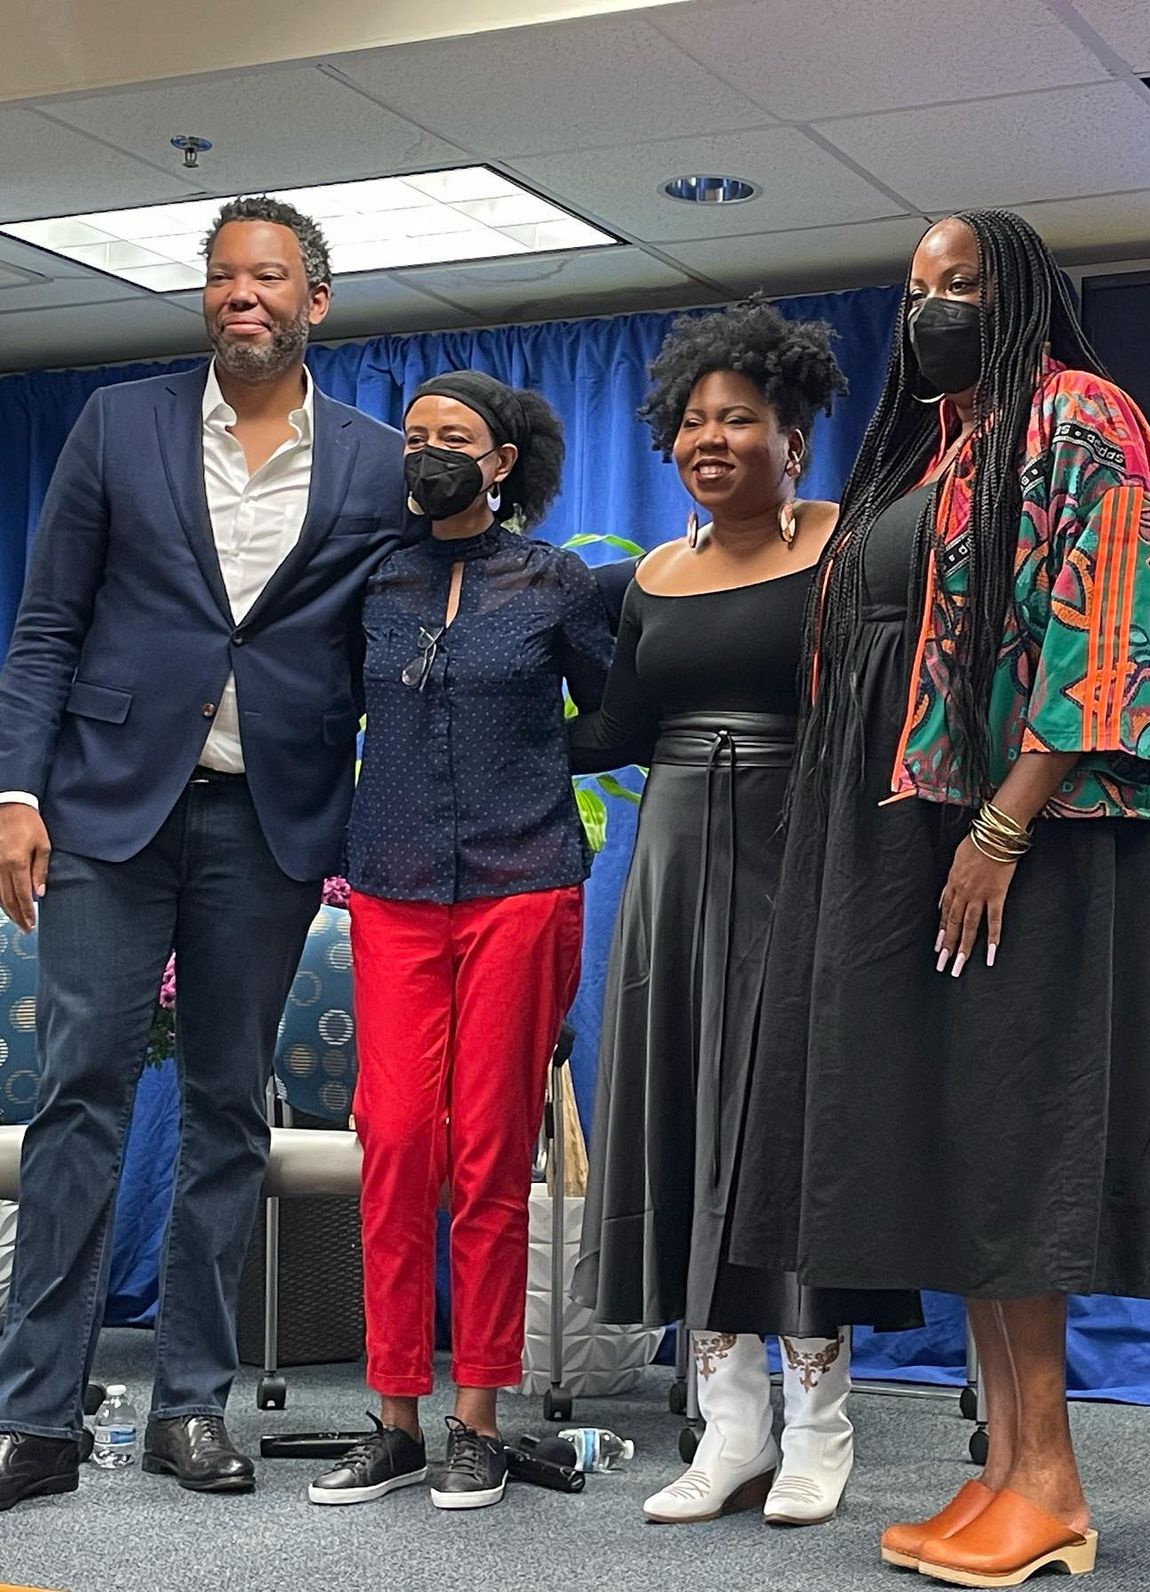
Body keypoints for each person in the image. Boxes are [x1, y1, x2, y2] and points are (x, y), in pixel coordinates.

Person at [730, 211, 1150, 1585]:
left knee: (1013, 1136)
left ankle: (1051, 1480)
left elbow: (1107, 639)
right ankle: (1003, 1465)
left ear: (1025, 298)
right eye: (917, 286)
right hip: (932, 837)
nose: (932, 306)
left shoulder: (1086, 418)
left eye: (963, 285)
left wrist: (1000, 827)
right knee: (959, 1144)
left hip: (1036, 842)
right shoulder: (946, 443)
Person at [0, 196, 411, 1511]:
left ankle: (190, 1405)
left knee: (231, 1110)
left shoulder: (369, 461)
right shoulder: (117, 425)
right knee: (80, 1098)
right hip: (108, 811)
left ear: (316, 301)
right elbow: (49, 620)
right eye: (223, 274)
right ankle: (36, 1417)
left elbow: (388, 644)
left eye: (269, 275)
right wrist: (16, 791)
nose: (243, 292)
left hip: (267, 822)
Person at [570, 297, 918, 1529]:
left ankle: (820, 1424)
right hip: (668, 865)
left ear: (794, 433)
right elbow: (611, 731)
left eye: (740, 417)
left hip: (801, 852)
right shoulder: (649, 577)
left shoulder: (850, 545)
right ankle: (728, 1427)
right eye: (692, 421)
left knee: (785, 1132)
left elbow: (887, 710)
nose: (710, 437)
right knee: (678, 1128)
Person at [308, 371, 612, 1513]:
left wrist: (533, 774)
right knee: (392, 1139)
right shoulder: (370, 578)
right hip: (389, 887)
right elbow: (324, 709)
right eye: (414, 437)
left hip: (520, 886)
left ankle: (476, 1417)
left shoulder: (555, 582)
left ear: (500, 461)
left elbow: (614, 710)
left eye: (455, 439)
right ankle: (393, 1413)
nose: (428, 452)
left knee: (488, 1150)